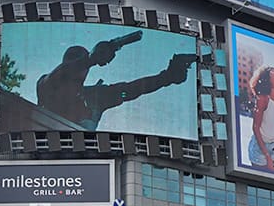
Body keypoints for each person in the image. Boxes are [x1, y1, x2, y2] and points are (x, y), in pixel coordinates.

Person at [34, 32, 195, 131]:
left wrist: (167, 77)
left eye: (80, 61)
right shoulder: (46, 86)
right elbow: (59, 74)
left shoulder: (94, 96)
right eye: (73, 60)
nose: (77, 67)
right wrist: (90, 59)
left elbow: (133, 88)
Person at [248, 66, 274, 171]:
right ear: (267, 80)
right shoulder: (263, 99)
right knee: (266, 180)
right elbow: (256, 129)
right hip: (259, 148)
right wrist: (267, 156)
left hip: (272, 147)